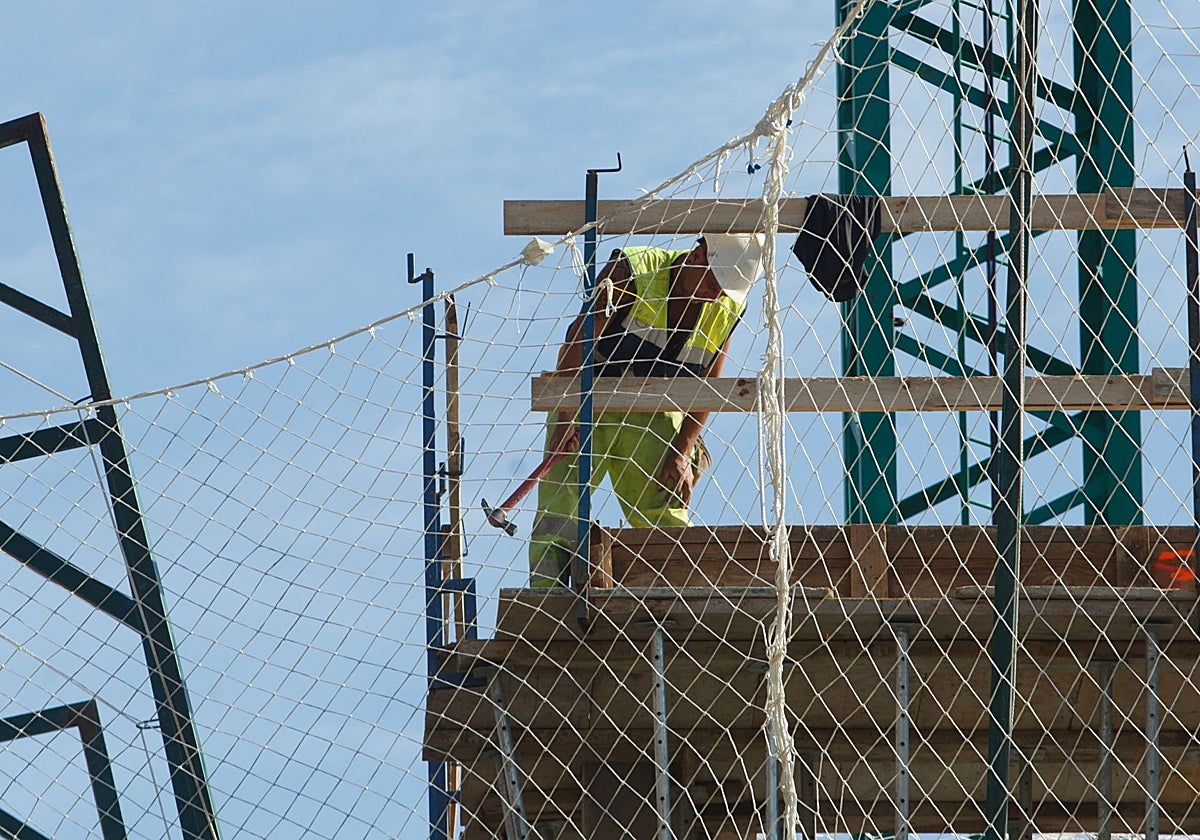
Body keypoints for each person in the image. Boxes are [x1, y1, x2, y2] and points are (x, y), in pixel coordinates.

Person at [529, 233, 766, 586]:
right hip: (589, 398)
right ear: (698, 254)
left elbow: (708, 386)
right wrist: (567, 416)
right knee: (560, 508)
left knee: (665, 501)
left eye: (724, 289)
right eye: (713, 282)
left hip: (655, 408)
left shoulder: (727, 305)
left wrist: (684, 449)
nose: (714, 294)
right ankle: (546, 598)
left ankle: (676, 595)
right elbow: (579, 337)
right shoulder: (633, 270)